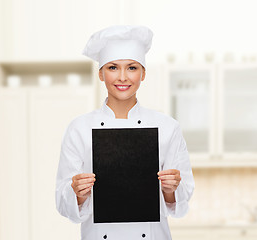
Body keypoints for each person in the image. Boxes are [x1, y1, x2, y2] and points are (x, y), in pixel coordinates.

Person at [56, 25, 195, 240]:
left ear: (143, 73)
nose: (122, 77)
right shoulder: (79, 129)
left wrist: (170, 189)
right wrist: (77, 193)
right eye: (112, 67)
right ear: (101, 74)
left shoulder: (167, 127)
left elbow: (180, 203)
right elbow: (63, 204)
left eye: (132, 68)